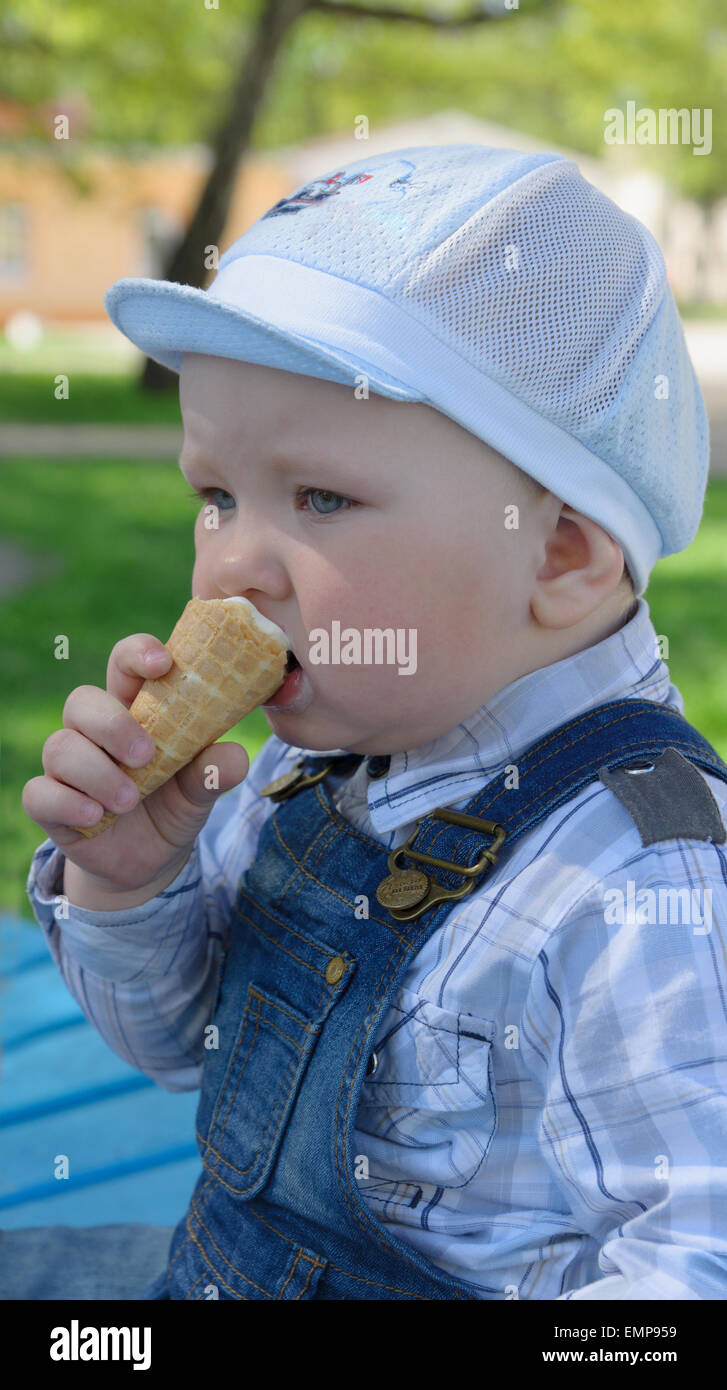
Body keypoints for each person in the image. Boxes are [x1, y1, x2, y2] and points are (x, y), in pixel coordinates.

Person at [19, 144, 727, 1300]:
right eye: (216, 497)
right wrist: (128, 883)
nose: (233, 563)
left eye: (322, 499)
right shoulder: (306, 764)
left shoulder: (639, 884)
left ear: (558, 553)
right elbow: (176, 1049)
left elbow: (696, 1265)